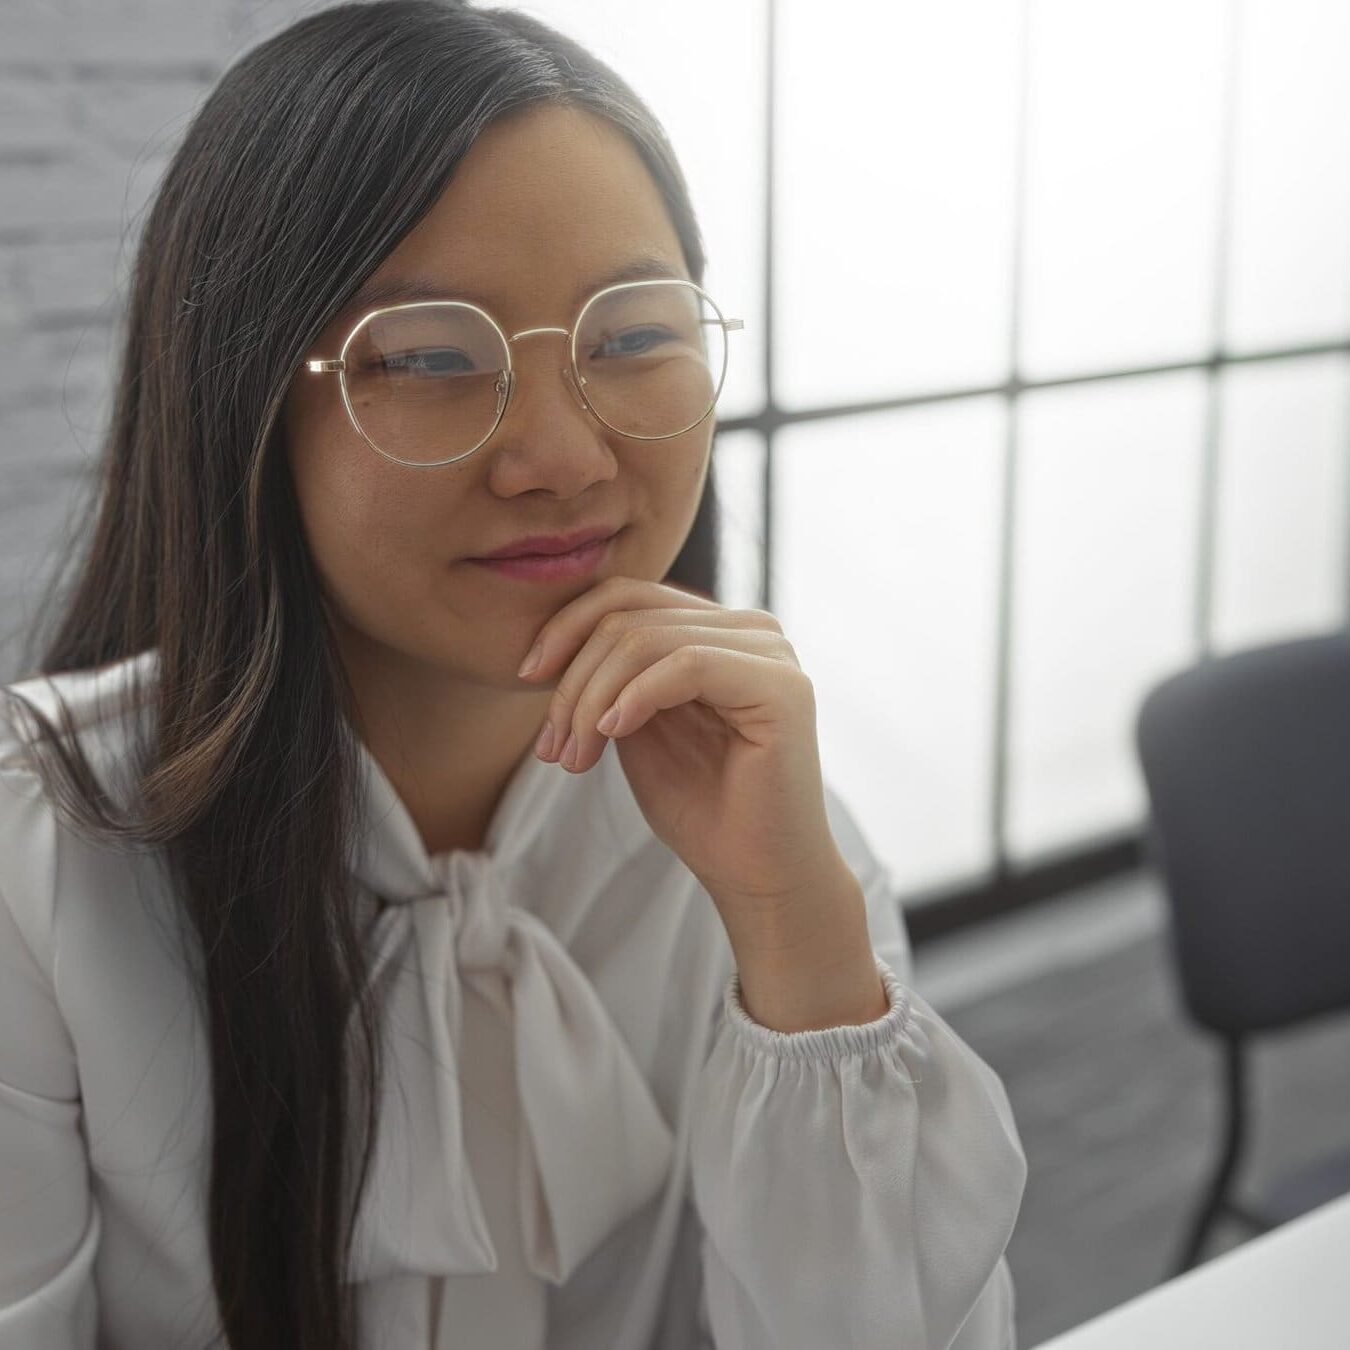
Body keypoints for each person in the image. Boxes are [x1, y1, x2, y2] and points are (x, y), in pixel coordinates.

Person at [0, 2, 1028, 1347]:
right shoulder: (46, 854)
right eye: (431, 357)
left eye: (634, 337)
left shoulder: (767, 831)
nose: (563, 453)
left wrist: (798, 934)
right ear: (240, 394)